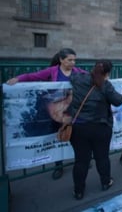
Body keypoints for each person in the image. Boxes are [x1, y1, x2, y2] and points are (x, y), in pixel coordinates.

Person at [6, 48, 87, 180]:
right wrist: (17, 79)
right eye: (70, 60)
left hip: (73, 112)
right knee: (57, 138)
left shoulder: (79, 72)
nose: (73, 63)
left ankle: (82, 162)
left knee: (77, 138)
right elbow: (31, 77)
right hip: (55, 113)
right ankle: (58, 166)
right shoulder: (52, 71)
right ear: (61, 59)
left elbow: (91, 78)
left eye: (74, 60)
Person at [66, 60, 122, 200]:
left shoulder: (78, 78)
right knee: (102, 157)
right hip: (100, 127)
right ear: (108, 73)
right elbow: (118, 100)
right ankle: (105, 182)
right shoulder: (105, 85)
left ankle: (78, 191)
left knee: (81, 160)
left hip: (79, 127)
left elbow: (71, 75)